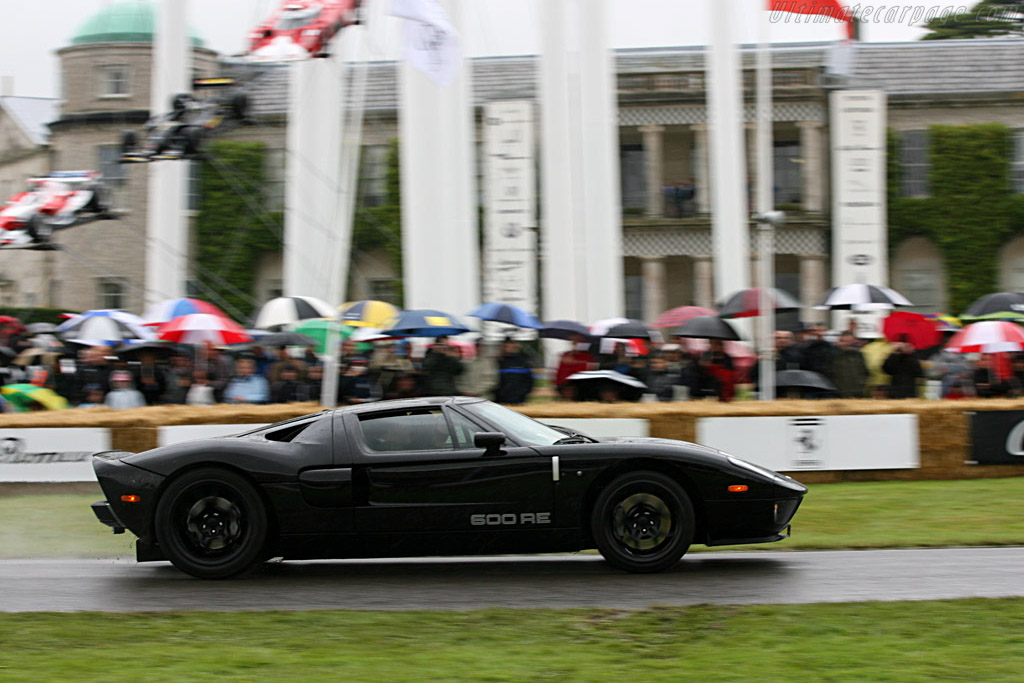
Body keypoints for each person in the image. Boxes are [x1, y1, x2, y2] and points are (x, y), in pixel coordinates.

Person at [554, 333, 595, 400]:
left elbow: (588, 372)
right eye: (573, 340)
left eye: (578, 340)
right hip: (565, 385)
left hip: (581, 386)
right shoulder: (565, 355)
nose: (576, 342)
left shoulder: (587, 357)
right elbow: (560, 373)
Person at [495, 338, 534, 404]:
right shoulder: (499, 361)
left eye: (512, 344)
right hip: (501, 399)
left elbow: (529, 380)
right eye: (507, 345)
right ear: (503, 347)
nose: (510, 347)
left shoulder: (523, 360)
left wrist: (523, 393)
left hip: (519, 399)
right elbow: (494, 380)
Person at [830, 331, 869, 398]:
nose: (846, 344)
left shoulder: (858, 355)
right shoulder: (834, 355)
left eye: (849, 341)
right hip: (839, 393)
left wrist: (861, 385)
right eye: (843, 341)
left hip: (857, 393)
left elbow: (864, 372)